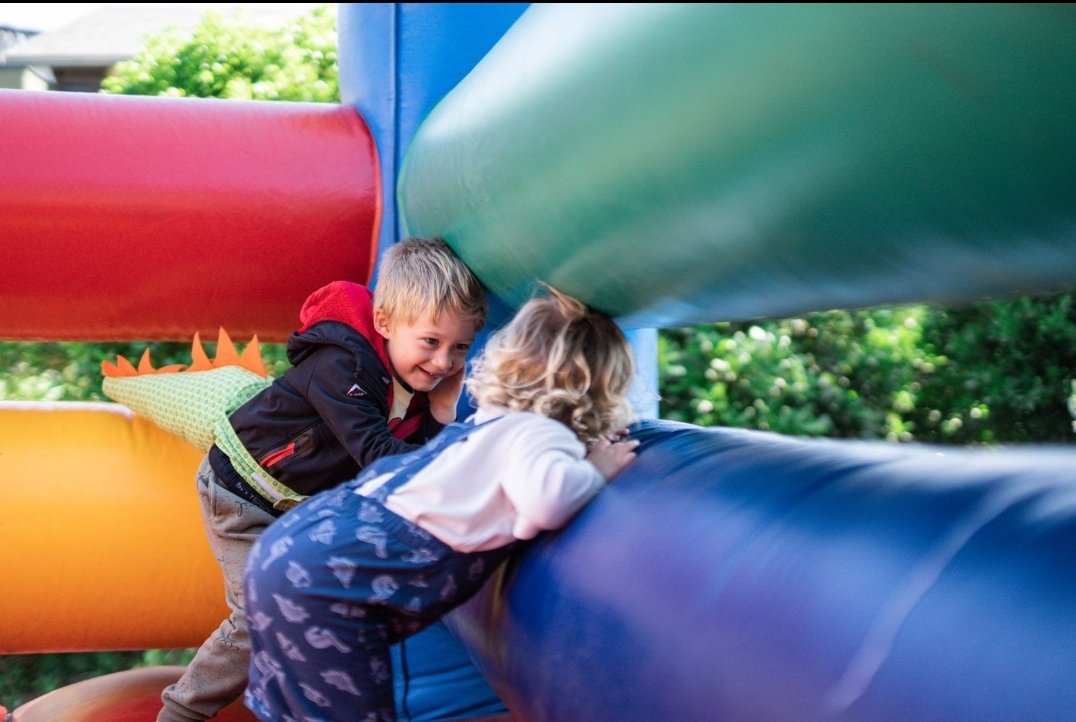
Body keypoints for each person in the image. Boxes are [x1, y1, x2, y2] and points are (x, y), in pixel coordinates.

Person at [242, 286, 641, 722]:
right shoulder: (538, 432)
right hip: (329, 580)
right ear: (600, 390)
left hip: (296, 546)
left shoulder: (487, 425)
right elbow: (546, 499)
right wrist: (596, 469)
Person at [158, 237, 489, 722]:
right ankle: (180, 713)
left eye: (460, 347)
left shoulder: (420, 390)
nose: (444, 363)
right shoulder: (342, 365)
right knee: (259, 613)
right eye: (431, 342)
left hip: (296, 509)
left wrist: (440, 414)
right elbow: (382, 462)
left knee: (313, 606)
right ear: (384, 323)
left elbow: (415, 471)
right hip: (241, 493)